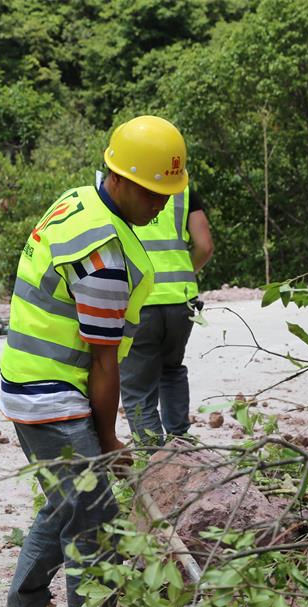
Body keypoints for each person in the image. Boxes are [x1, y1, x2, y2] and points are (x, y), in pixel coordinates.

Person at [0, 116, 190, 607]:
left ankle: (27, 604)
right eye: (154, 193)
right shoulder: (104, 255)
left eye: (167, 194)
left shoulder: (82, 199)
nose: (160, 205)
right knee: (96, 519)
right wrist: (108, 438)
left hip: (35, 381)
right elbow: (106, 366)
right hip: (53, 393)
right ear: (122, 178)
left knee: (69, 498)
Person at [119, 183, 213, 441]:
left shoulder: (118, 189)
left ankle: (154, 460)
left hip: (139, 301)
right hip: (181, 300)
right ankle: (180, 444)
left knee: (138, 390)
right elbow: (204, 246)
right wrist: (184, 274)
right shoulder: (182, 190)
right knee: (171, 368)